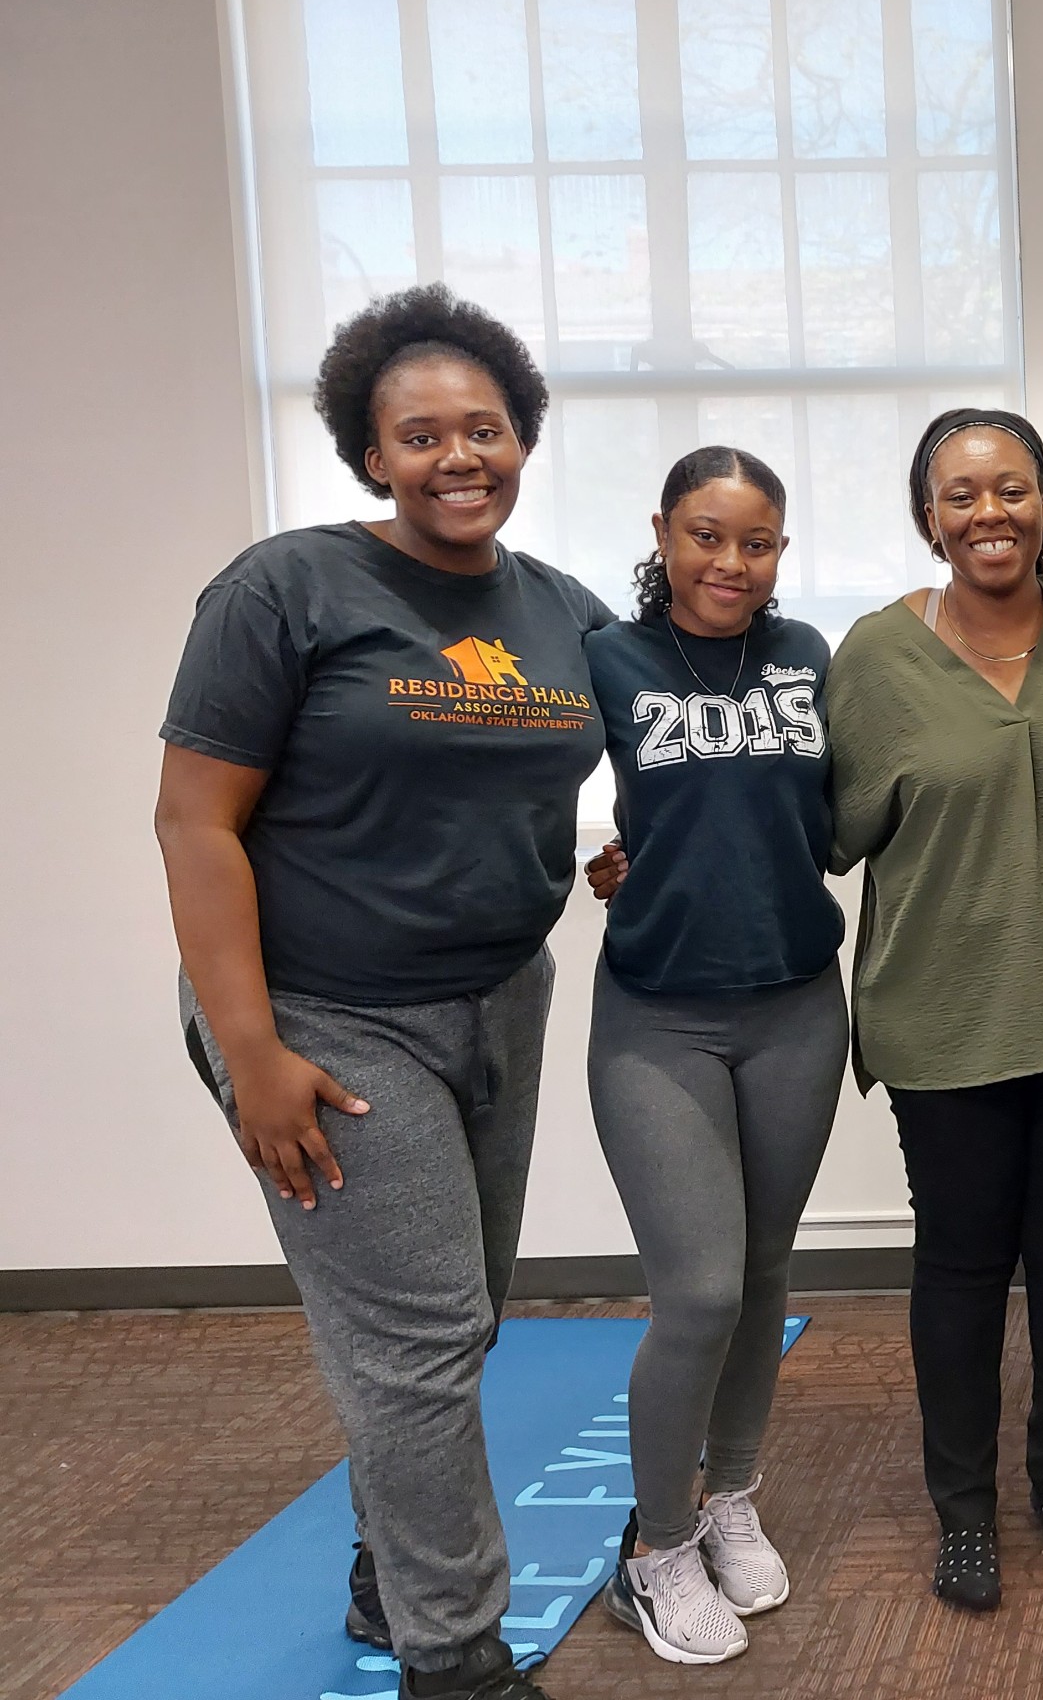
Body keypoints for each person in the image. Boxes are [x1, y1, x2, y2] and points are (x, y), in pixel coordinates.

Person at [153, 284, 612, 1700]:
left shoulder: (562, 610)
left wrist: (637, 847)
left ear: (523, 438)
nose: (459, 456)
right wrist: (250, 1052)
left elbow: (651, 750)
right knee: (418, 1341)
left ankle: (386, 1569)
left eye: (485, 427)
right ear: (370, 454)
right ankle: (455, 1658)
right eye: (421, 435)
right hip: (322, 1013)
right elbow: (193, 822)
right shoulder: (284, 590)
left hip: (500, 996)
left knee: (458, 1319)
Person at [825, 408, 1043, 1614]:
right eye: (962, 492)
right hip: (945, 1015)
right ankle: (962, 1510)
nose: (990, 513)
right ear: (928, 516)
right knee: (963, 1268)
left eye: (1012, 488)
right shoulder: (876, 654)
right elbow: (827, 828)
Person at [576, 447, 848, 1666]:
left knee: (764, 1270)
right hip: (659, 1013)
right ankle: (657, 1547)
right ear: (663, 534)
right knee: (697, 1292)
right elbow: (515, 784)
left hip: (796, 1004)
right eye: (706, 536)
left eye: (757, 542)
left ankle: (730, 1491)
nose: (731, 562)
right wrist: (597, 858)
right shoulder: (609, 658)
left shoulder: (807, 656)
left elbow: (818, 818)